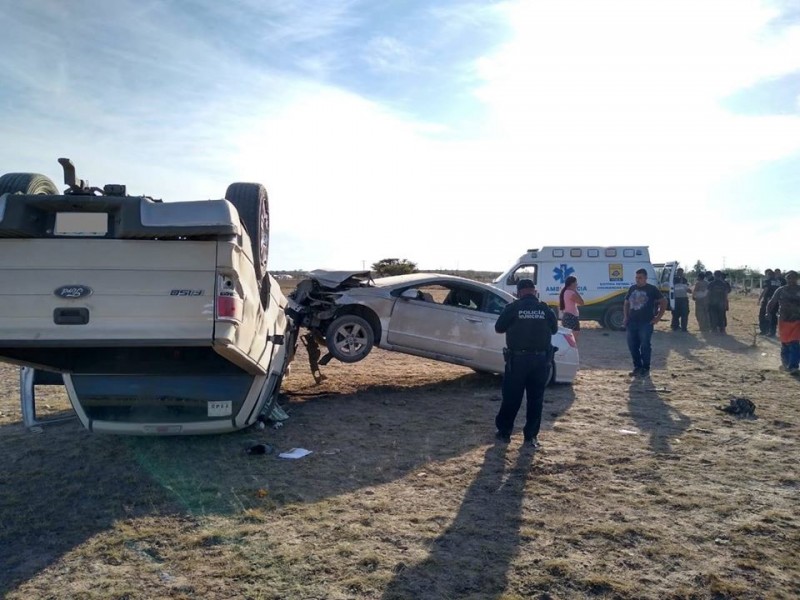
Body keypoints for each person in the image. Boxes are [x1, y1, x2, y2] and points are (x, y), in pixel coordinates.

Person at [494, 278, 558, 449]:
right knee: (536, 399)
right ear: (534, 291)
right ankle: (530, 437)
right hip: (541, 361)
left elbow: (499, 328)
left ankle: (504, 433)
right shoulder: (545, 309)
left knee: (511, 397)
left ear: (518, 292)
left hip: (518, 361)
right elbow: (554, 330)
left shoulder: (513, 308)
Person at [623, 268, 667, 378]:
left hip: (646, 323)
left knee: (645, 345)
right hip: (632, 322)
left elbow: (663, 302)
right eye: (636, 277)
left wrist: (657, 318)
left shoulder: (652, 289)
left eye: (640, 278)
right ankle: (637, 367)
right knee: (632, 345)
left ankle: (645, 368)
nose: (638, 280)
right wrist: (626, 317)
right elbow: (626, 303)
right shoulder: (632, 288)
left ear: (646, 278)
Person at [767, 270, 800, 374]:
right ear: (786, 279)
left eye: (793, 278)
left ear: (797, 279)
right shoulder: (781, 290)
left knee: (794, 342)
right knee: (785, 343)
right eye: (789, 278)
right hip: (783, 320)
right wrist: (768, 312)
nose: (791, 280)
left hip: (797, 320)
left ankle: (793, 366)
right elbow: (772, 302)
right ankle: (785, 363)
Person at [558, 275, 585, 343]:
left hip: (568, 316)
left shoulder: (565, 292)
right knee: (573, 339)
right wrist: (575, 291)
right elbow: (581, 302)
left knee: (569, 339)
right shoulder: (571, 293)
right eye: (576, 282)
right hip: (571, 317)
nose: (577, 284)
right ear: (572, 283)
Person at [758, 269, 781, 336]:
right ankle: (772, 331)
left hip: (768, 300)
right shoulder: (778, 282)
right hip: (776, 301)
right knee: (773, 315)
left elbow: (765, 290)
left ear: (768, 275)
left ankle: (764, 330)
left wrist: (759, 299)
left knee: (763, 315)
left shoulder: (768, 281)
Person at [670, 268, 691, 332]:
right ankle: (675, 326)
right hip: (676, 298)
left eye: (681, 272)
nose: (680, 273)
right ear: (677, 272)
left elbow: (688, 289)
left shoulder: (684, 280)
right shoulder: (674, 279)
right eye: (679, 272)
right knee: (675, 313)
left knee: (684, 313)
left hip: (683, 298)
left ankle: (683, 327)